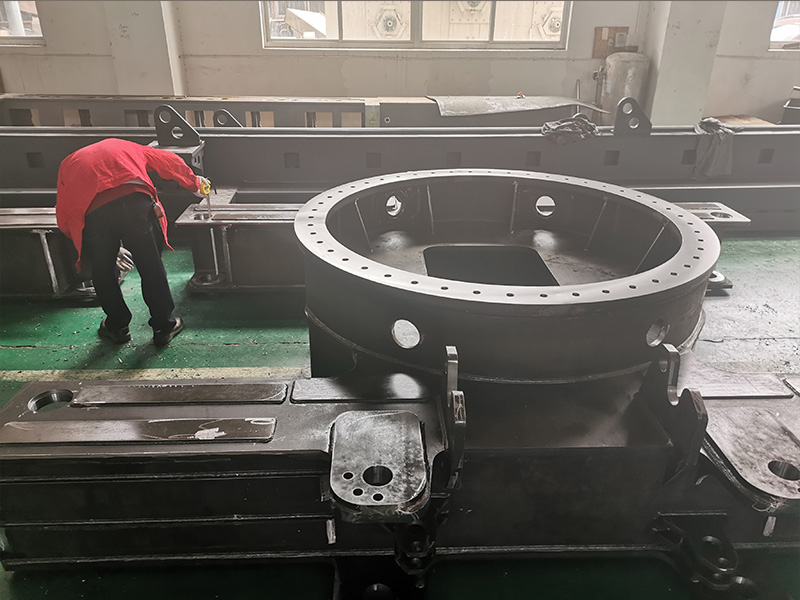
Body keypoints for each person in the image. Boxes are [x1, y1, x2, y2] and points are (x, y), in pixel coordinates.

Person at [56, 138, 209, 345]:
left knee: (103, 270)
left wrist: (86, 239)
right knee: (150, 264)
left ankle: (117, 327)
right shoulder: (129, 147)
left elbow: (65, 208)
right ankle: (164, 326)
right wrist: (195, 184)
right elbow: (169, 161)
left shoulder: (68, 164)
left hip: (94, 214)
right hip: (136, 205)